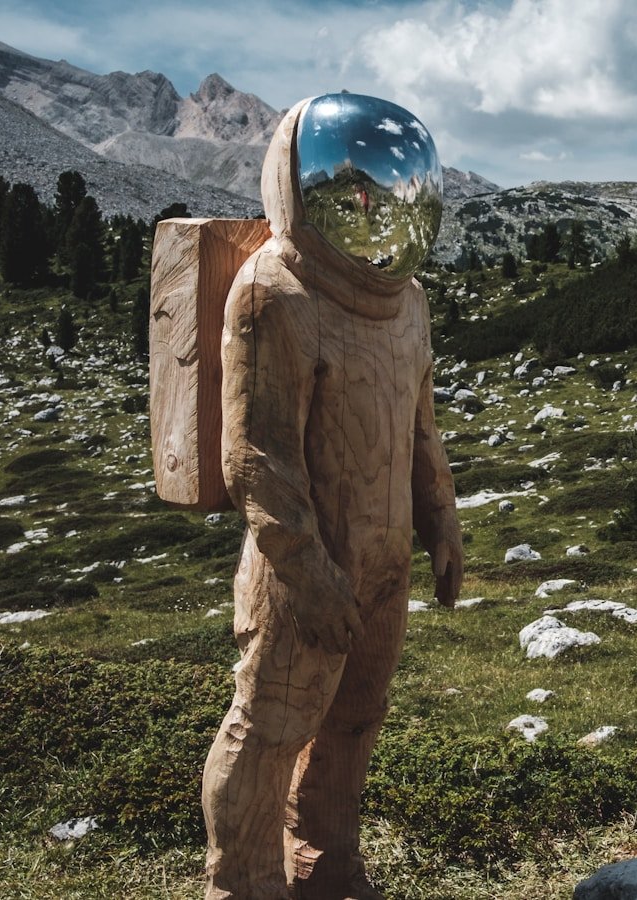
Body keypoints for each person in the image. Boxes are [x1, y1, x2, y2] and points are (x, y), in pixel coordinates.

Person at [201, 93, 461, 900]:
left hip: (384, 561)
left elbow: (421, 428)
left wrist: (441, 518)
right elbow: (256, 454)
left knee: (355, 720)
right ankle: (242, 881)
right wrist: (308, 572)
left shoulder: (407, 304)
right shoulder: (275, 292)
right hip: (301, 569)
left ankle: (326, 863)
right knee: (270, 725)